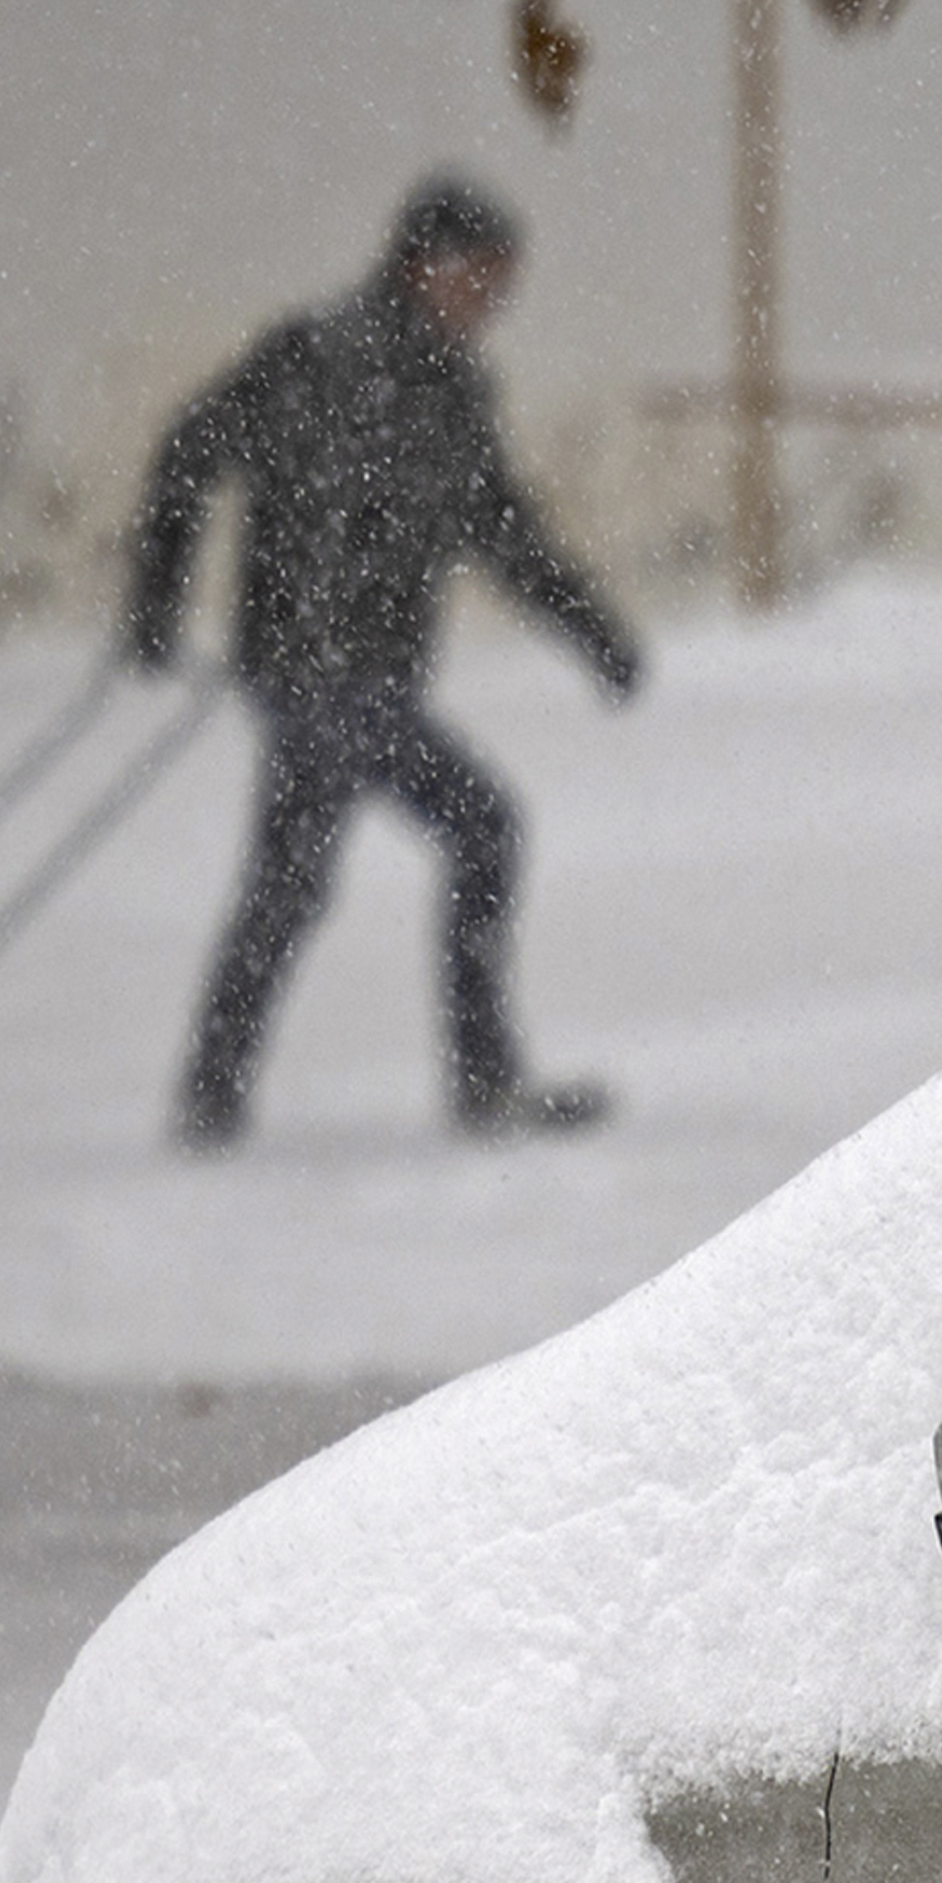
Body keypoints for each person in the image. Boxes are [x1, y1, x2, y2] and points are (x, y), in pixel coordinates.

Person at [121, 170, 644, 1149]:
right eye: (480, 276)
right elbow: (189, 453)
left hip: (361, 675)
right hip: (311, 670)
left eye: (502, 283)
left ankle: (212, 1094)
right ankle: (476, 1083)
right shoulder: (315, 356)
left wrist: (591, 630)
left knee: (294, 883)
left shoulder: (451, 392)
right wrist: (155, 600)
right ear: (423, 263)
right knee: (477, 829)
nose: (492, 300)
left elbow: (504, 532)